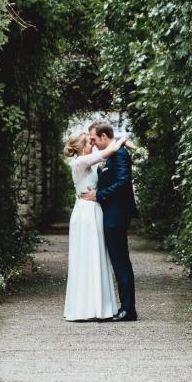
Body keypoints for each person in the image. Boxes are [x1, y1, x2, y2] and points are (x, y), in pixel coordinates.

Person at [63, 128, 133, 321]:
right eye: (88, 142)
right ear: (79, 147)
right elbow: (109, 151)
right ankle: (84, 308)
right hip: (86, 212)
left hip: (96, 211)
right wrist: (123, 139)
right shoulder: (79, 161)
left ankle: (98, 306)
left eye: (92, 140)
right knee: (86, 257)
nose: (92, 144)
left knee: (96, 257)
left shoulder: (90, 158)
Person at [80, 121, 138, 322]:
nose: (93, 143)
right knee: (118, 260)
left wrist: (100, 195)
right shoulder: (115, 151)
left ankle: (128, 309)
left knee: (121, 261)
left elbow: (123, 182)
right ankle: (125, 307)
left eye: (94, 139)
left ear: (104, 136)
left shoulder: (120, 154)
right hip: (112, 213)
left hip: (117, 215)